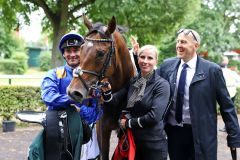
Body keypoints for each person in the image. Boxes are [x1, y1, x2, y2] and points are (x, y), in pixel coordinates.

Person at [156, 28, 240, 160]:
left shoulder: (212, 70)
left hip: (202, 136)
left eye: (183, 42)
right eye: (177, 41)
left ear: (196, 46)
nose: (178, 45)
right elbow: (150, 84)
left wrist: (234, 137)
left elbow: (227, 106)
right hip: (174, 133)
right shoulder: (167, 66)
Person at [102, 45, 170, 160]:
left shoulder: (162, 85)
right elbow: (115, 100)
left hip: (152, 144)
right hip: (131, 142)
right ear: (137, 58)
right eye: (142, 57)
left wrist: (128, 123)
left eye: (150, 58)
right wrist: (107, 92)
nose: (145, 61)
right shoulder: (134, 81)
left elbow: (154, 117)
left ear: (156, 61)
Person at [41, 32, 100, 160]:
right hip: (58, 134)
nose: (72, 54)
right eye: (68, 51)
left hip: (86, 135)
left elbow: (97, 113)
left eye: (76, 50)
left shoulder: (94, 79)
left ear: (83, 51)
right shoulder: (53, 74)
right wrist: (74, 98)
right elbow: (48, 97)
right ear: (63, 54)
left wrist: (80, 111)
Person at [219, 56, 238, 132]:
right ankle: (232, 127)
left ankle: (228, 127)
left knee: (225, 111)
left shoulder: (220, 71)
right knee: (230, 110)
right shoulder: (231, 72)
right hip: (233, 92)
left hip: (225, 93)